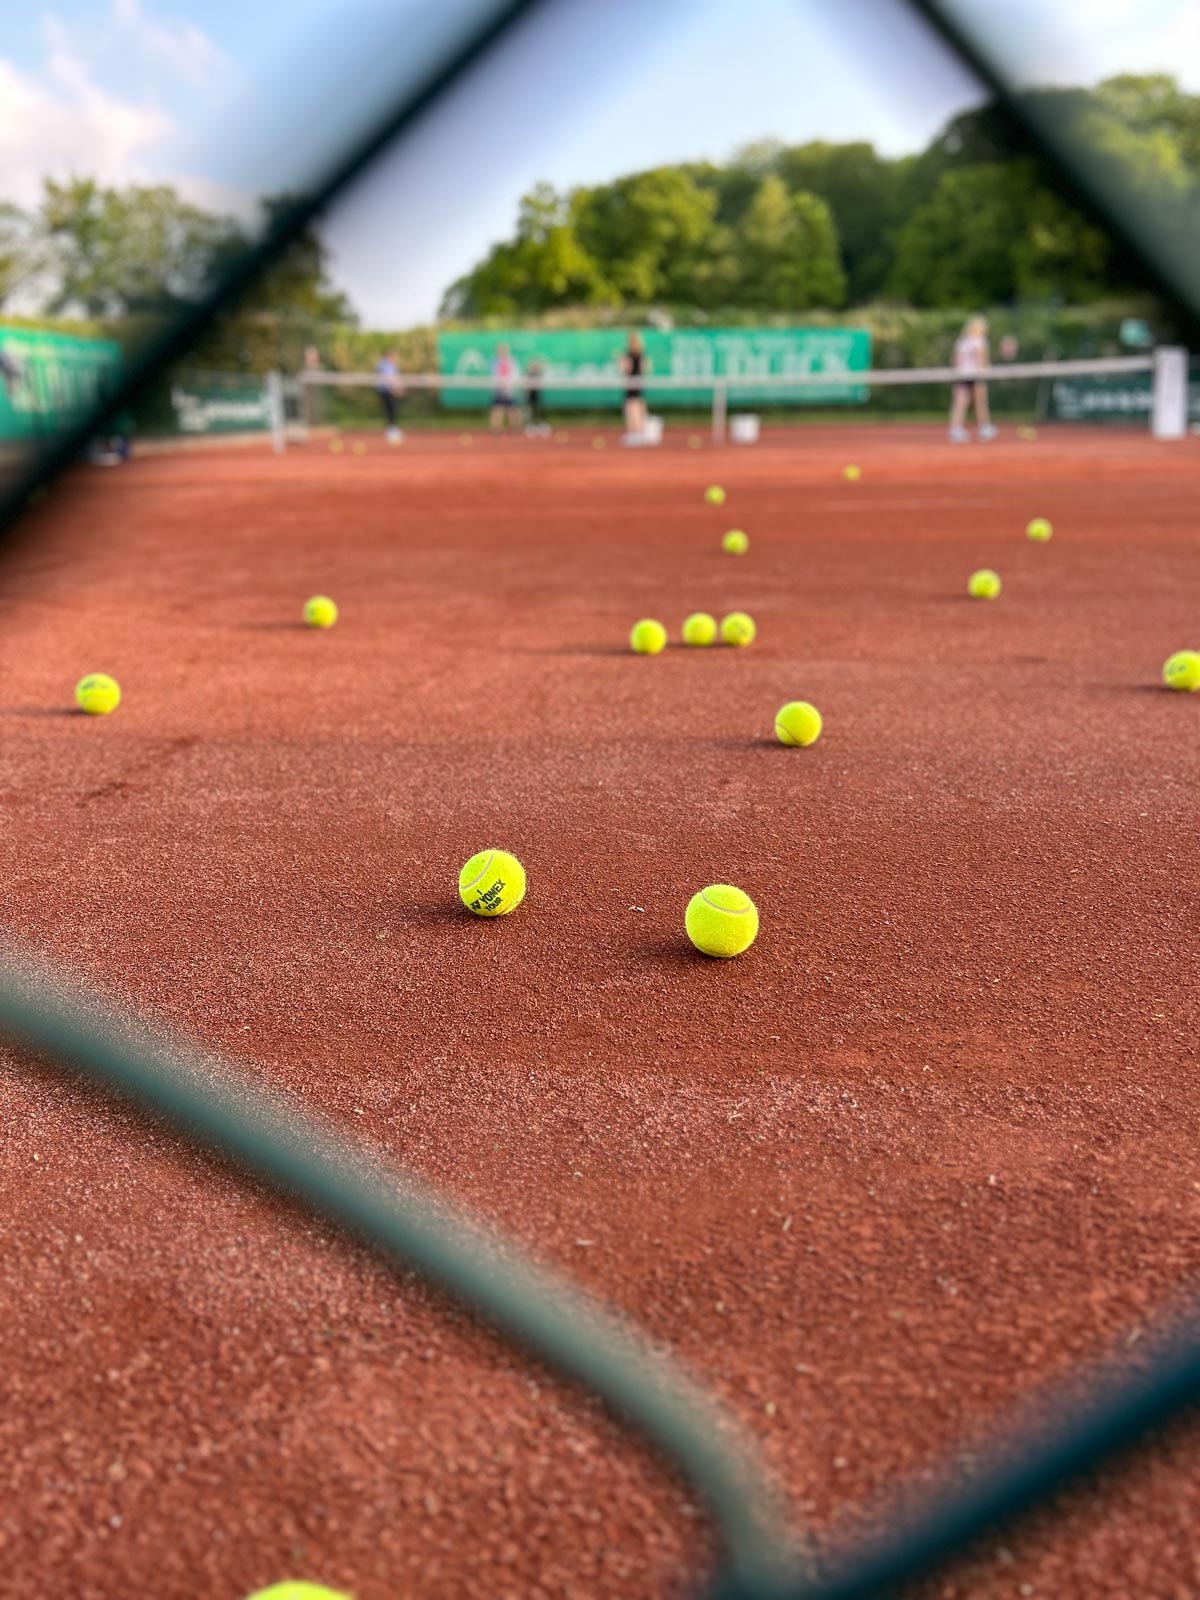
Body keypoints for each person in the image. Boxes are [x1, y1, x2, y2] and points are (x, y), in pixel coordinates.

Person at [948, 316, 997, 443]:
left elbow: (955, 361)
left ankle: (955, 430)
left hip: (961, 375)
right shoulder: (980, 341)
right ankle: (984, 428)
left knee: (960, 403)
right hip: (975, 375)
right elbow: (982, 359)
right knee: (980, 402)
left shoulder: (961, 341)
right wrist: (985, 369)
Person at [619, 332, 649, 437]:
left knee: (632, 406)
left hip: (632, 382)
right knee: (637, 404)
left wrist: (621, 362)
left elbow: (627, 369)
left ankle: (635, 431)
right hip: (638, 382)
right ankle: (639, 430)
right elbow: (645, 367)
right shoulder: (641, 354)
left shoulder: (629, 355)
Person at [375, 349, 404, 443]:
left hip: (391, 391)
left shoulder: (393, 366)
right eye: (392, 356)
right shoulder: (382, 365)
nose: (394, 358)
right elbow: (387, 378)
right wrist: (395, 388)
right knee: (389, 410)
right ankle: (391, 430)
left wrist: (398, 388)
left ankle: (392, 428)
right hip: (385, 391)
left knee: (393, 409)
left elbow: (395, 378)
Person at [490, 343, 520, 431]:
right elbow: (494, 375)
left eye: (503, 350)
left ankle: (515, 429)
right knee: (497, 409)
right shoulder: (494, 362)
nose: (501, 352)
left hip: (509, 390)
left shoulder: (512, 361)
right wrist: (499, 384)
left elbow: (515, 374)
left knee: (512, 410)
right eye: (499, 351)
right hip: (498, 390)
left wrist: (509, 384)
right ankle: (496, 429)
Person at [524, 357, 550, 437]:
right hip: (530, 396)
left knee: (540, 411)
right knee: (530, 412)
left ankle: (542, 426)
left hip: (538, 397)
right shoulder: (528, 374)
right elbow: (526, 386)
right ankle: (530, 427)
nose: (534, 367)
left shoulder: (540, 374)